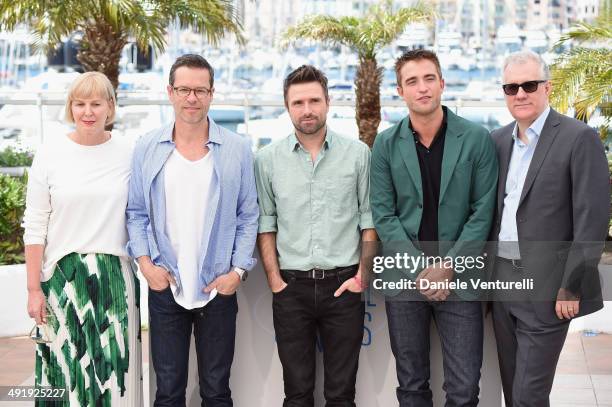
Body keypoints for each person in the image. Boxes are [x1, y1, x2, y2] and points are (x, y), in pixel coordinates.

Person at [126, 54, 258, 406]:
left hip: (217, 286)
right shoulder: (147, 147)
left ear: (212, 94)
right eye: (184, 89)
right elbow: (136, 213)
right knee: (168, 391)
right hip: (166, 285)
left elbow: (248, 215)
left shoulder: (238, 149)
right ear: (170, 92)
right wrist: (145, 265)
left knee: (217, 391)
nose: (192, 98)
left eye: (200, 90)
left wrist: (238, 272)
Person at [370, 49, 498, 407]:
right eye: (412, 81)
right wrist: (420, 271)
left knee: (463, 389)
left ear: (442, 84)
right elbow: (384, 214)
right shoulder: (384, 144)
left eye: (429, 78)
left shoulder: (476, 139)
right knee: (411, 385)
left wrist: (447, 268)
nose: (422, 88)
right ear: (400, 90)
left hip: (460, 278)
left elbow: (482, 212)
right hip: (405, 280)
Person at [490, 50, 609, 407]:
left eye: (529, 85)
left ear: (547, 88)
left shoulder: (578, 137)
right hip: (501, 285)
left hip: (548, 291)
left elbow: (592, 218)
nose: (520, 94)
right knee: (512, 392)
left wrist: (571, 286)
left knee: (529, 395)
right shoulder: (497, 141)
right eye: (512, 87)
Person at [255, 65, 376, 407]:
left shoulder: (358, 154)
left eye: (314, 100)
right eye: (298, 102)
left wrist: (362, 276)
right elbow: (267, 223)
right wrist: (275, 279)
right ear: (287, 105)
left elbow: (369, 219)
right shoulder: (266, 160)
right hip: (290, 290)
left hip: (343, 288)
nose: (307, 109)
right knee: (296, 395)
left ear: (328, 102)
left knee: (341, 395)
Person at [23, 71, 142, 406]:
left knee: (113, 378)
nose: (88, 111)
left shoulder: (129, 152)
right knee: (63, 379)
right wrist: (34, 290)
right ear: (70, 107)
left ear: (110, 107)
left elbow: (141, 216)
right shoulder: (49, 153)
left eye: (96, 103)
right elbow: (35, 225)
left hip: (115, 280)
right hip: (62, 280)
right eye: (80, 104)